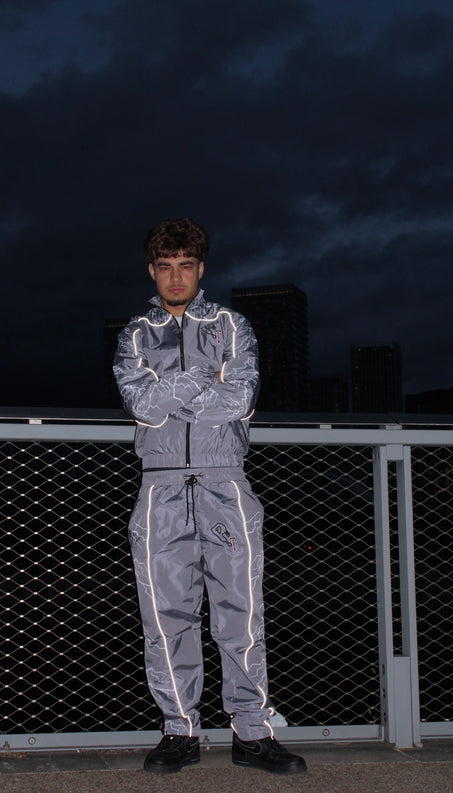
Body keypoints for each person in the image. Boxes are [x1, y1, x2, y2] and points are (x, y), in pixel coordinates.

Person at [113, 218, 307, 776]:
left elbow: (239, 400)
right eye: (165, 267)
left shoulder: (231, 325)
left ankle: (252, 732)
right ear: (152, 271)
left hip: (226, 483)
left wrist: (171, 388)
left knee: (241, 615)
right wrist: (203, 380)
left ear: (201, 268)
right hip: (160, 487)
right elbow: (141, 405)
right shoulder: (134, 334)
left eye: (186, 265)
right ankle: (180, 730)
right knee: (165, 617)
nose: (176, 277)